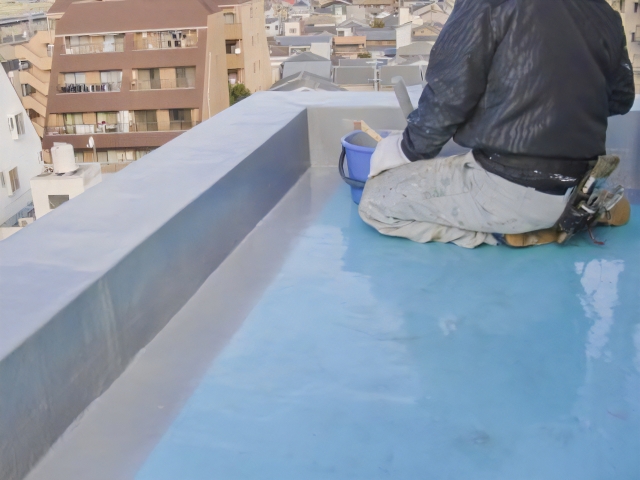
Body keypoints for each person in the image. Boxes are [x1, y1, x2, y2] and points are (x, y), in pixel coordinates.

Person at [358, 0, 635, 248]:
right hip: (581, 181)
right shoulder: (602, 11)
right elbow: (621, 99)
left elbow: (448, 95)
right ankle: (588, 210)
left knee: (374, 203)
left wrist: (404, 149)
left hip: (510, 188)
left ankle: (503, 234)